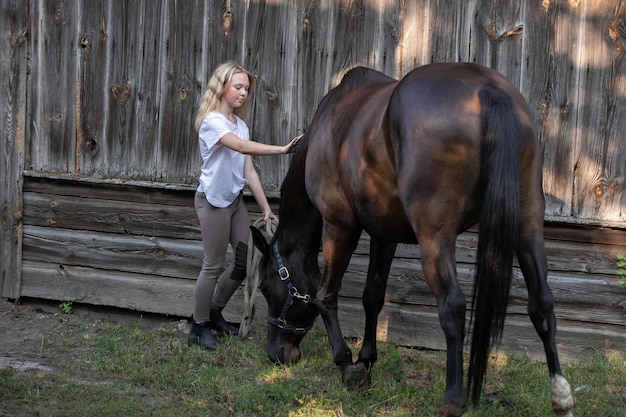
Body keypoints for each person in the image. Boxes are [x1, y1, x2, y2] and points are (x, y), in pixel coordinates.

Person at [189, 61, 301, 350]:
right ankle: (198, 326)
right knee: (212, 265)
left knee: (244, 262)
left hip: (235, 202)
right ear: (222, 86)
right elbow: (239, 147)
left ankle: (214, 312)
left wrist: (265, 207)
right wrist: (281, 149)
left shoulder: (241, 125)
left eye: (246, 89)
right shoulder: (212, 121)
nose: (243, 93)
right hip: (212, 202)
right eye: (237, 87)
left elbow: (247, 169)